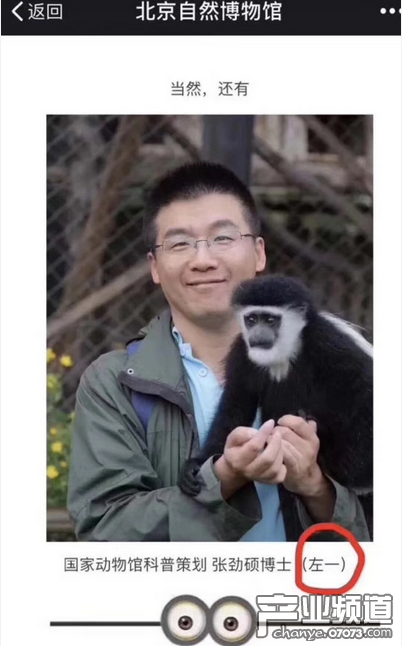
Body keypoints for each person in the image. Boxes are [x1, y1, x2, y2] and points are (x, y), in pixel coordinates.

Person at [67, 161, 370, 542]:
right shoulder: (114, 384)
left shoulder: (329, 349)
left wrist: (315, 486)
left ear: (259, 253)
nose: (203, 260)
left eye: (223, 238)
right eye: (180, 244)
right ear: (154, 267)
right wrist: (223, 477)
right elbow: (106, 533)